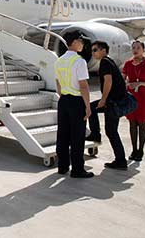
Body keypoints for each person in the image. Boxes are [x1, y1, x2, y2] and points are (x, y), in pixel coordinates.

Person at [54, 31, 93, 178]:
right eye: (81, 41)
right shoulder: (79, 61)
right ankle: (77, 169)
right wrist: (88, 107)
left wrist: (63, 96)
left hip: (63, 100)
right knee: (77, 136)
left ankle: (62, 166)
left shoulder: (59, 61)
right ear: (75, 42)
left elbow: (58, 83)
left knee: (62, 134)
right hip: (77, 101)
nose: (83, 44)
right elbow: (83, 85)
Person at [86, 40, 128, 170]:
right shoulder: (109, 61)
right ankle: (95, 135)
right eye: (92, 50)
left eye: (95, 50)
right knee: (92, 108)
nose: (93, 53)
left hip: (112, 102)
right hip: (114, 101)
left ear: (103, 50)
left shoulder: (104, 62)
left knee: (111, 131)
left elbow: (108, 81)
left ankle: (120, 160)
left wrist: (103, 99)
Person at [122, 40, 145, 162]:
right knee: (132, 124)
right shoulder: (128, 64)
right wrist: (127, 84)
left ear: (143, 49)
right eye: (133, 47)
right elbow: (122, 80)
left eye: (138, 47)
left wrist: (140, 83)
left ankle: (141, 150)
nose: (135, 50)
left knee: (142, 124)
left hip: (143, 98)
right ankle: (133, 149)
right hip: (131, 97)